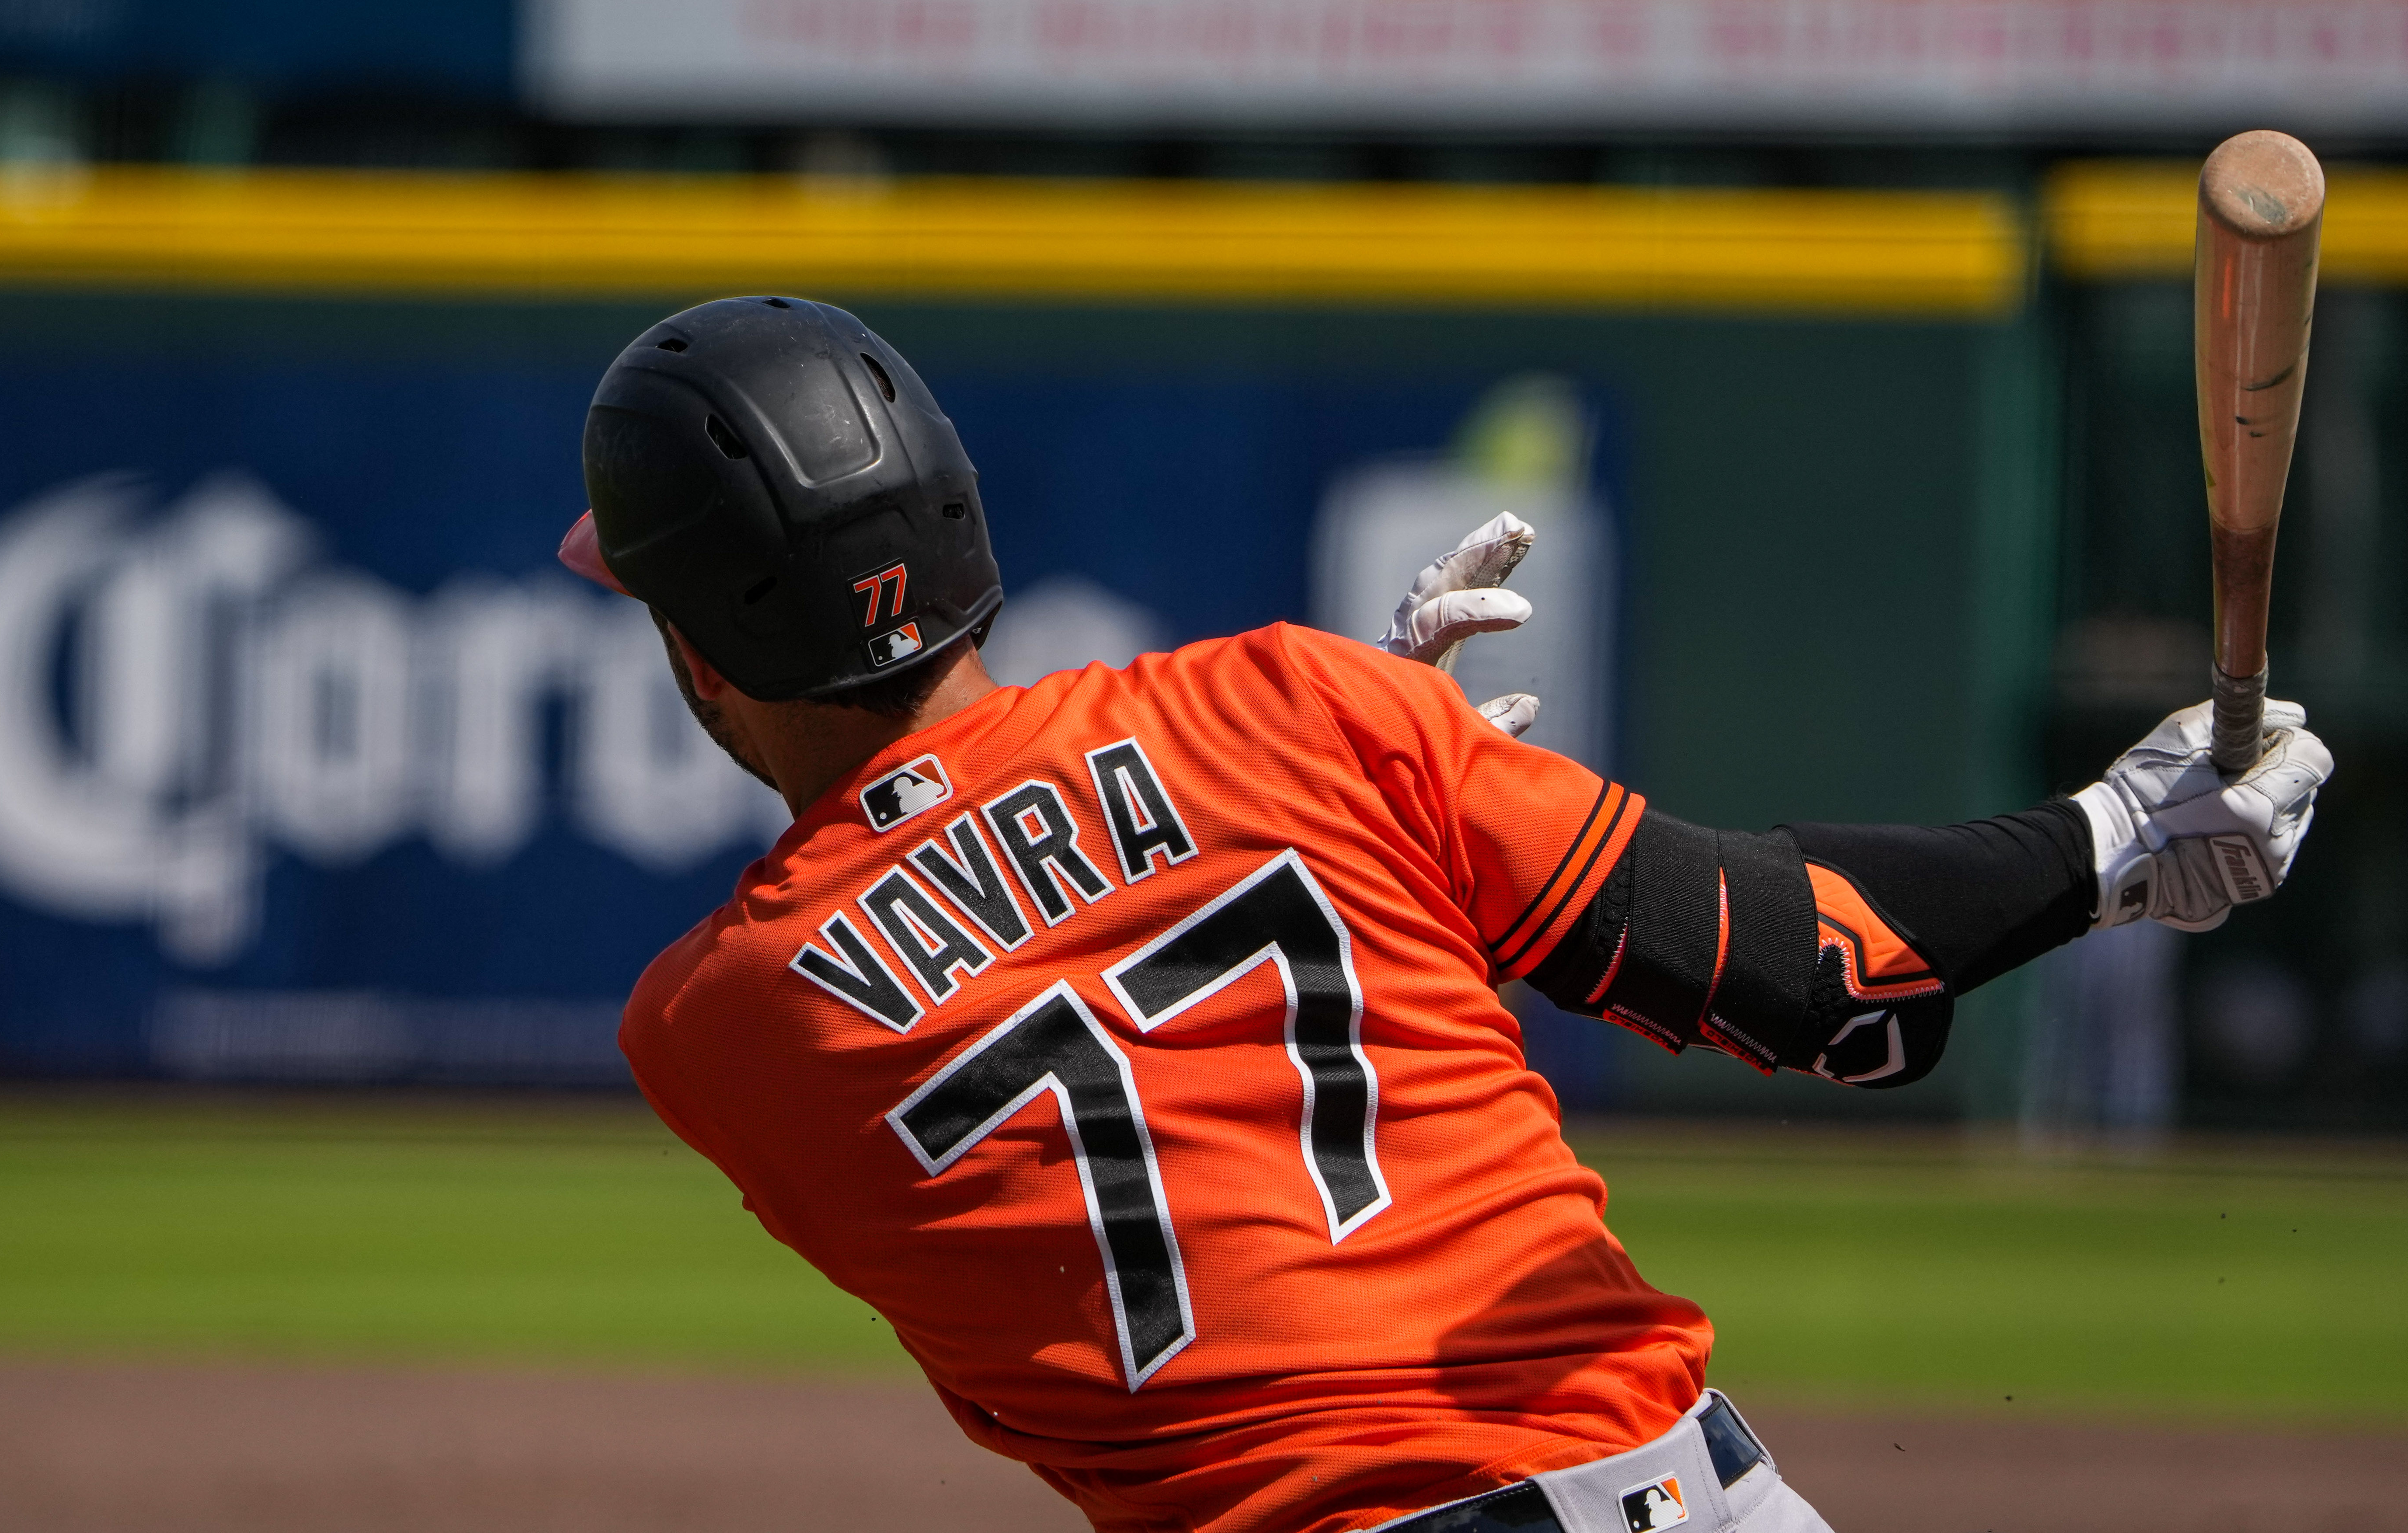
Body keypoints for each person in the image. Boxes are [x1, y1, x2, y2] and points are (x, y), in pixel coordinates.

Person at [560, 297, 2333, 1533]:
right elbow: (1818, 972)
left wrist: (1369, 813)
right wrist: (2109, 832)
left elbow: (1092, 1008)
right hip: (1681, 1491)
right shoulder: (1301, 706)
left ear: (702, 648)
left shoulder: (718, 1027)